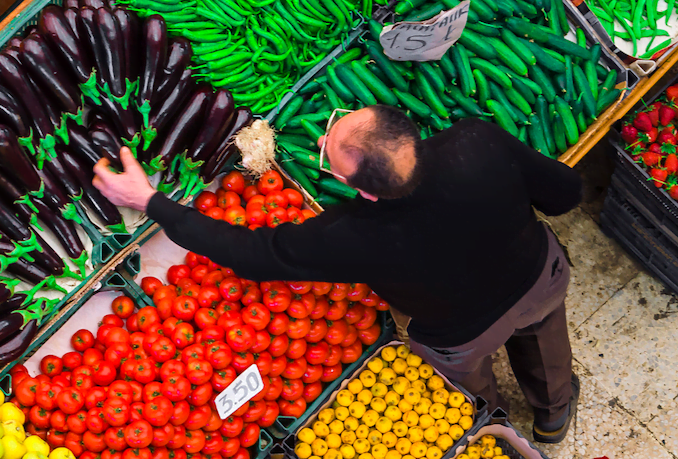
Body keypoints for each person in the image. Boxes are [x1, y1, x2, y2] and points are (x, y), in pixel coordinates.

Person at [91, 105, 582, 444]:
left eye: (331, 146)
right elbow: (565, 194)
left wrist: (150, 202)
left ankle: (491, 420)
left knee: (467, 383)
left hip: (461, 334)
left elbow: (248, 253)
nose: (322, 139)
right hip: (538, 276)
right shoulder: (477, 140)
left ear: (364, 191)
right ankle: (553, 412)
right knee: (544, 336)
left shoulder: (351, 233)